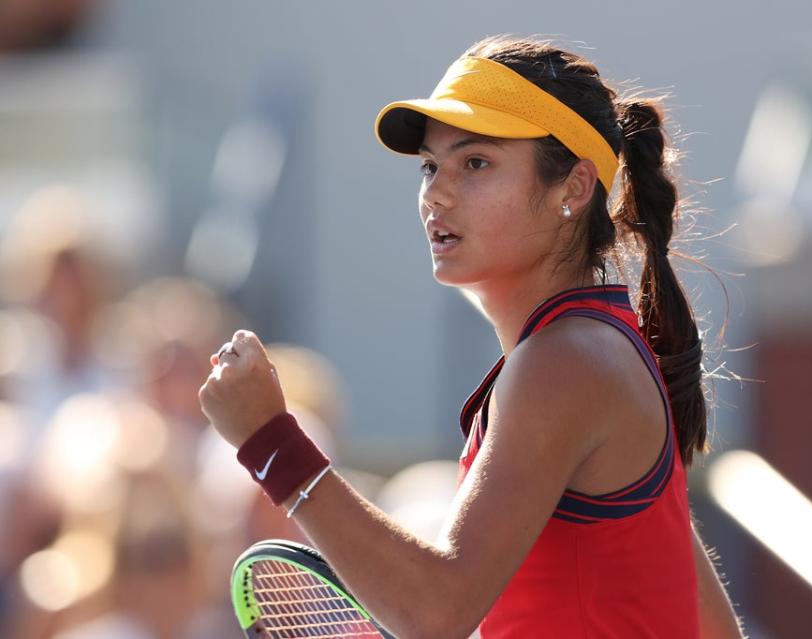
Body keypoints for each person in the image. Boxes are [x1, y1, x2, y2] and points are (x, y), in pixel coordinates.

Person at [200, 35, 743, 638]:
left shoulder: (566, 362)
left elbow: (437, 613)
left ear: (574, 187)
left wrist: (269, 440)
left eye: (475, 162)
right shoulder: (592, 351)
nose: (436, 192)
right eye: (431, 166)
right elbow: (714, 628)